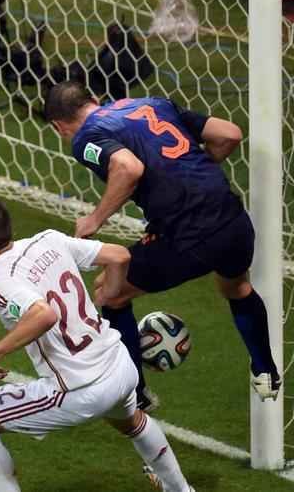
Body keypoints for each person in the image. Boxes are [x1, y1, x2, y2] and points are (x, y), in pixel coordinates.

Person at [44, 80, 280, 409]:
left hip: (189, 233)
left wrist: (95, 218)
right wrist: (198, 172)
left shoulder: (86, 137)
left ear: (58, 126)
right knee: (236, 287)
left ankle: (134, 394)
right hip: (233, 220)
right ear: (95, 99)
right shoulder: (152, 103)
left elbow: (128, 168)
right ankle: (265, 370)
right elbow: (229, 134)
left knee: (109, 291)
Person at [0, 195, 192, 492]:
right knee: (131, 421)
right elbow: (119, 256)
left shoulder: (0, 284)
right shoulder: (49, 240)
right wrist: (109, 296)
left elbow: (43, 315)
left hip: (78, 390)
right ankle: (181, 489)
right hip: (119, 366)